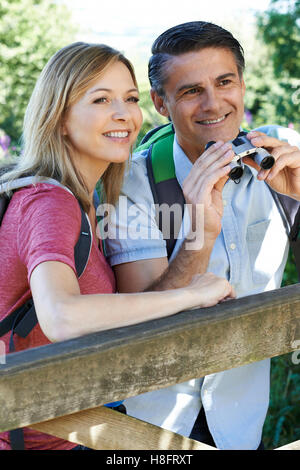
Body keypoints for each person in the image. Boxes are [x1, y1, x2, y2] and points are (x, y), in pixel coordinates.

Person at [0, 41, 235, 451]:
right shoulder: (49, 200)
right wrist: (190, 294)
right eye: (101, 99)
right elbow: (62, 316)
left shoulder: (86, 201)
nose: (124, 114)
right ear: (60, 118)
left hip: (82, 432)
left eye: (130, 98)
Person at [104, 22, 300, 450]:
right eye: (192, 90)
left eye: (225, 82)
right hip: (146, 429)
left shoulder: (284, 153)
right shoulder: (132, 185)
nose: (214, 104)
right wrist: (198, 236)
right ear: (160, 102)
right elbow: (141, 325)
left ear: (242, 84)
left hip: (241, 417)